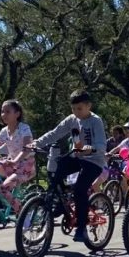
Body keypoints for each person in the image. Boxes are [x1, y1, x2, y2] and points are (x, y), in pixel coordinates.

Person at [32, 90, 107, 243]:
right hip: (77, 157)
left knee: (80, 189)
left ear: (88, 106)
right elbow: (55, 133)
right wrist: (36, 143)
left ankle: (81, 228)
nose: (76, 112)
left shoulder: (95, 121)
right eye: (73, 109)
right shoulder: (72, 119)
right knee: (57, 170)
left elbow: (101, 145)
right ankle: (61, 202)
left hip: (94, 160)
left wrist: (90, 148)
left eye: (79, 108)